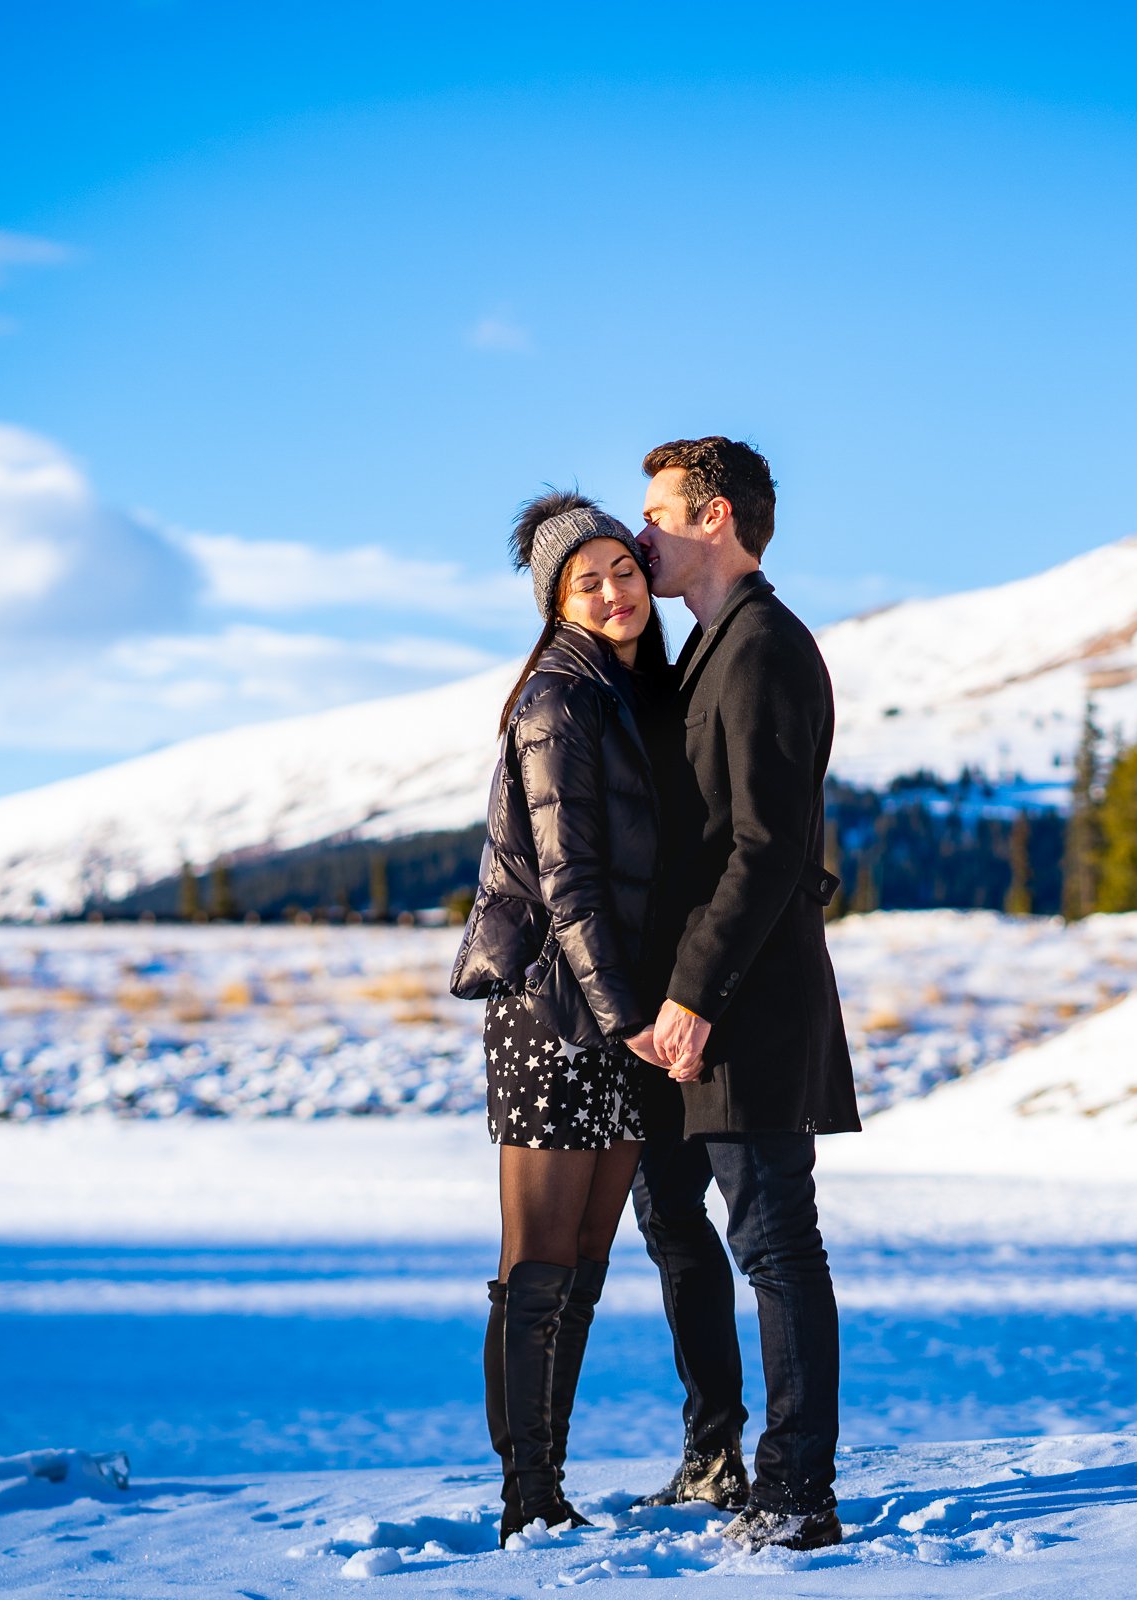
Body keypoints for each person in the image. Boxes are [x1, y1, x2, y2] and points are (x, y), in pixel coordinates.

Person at [622, 437, 859, 1551]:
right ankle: (712, 1457)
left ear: (715, 517)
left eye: (659, 514)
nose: (642, 536)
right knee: (676, 1223)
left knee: (773, 1243)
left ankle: (797, 1492)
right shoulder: (705, 645)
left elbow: (767, 848)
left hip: (745, 1009)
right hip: (688, 1008)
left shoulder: (763, 646)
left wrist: (699, 993)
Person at [448, 490, 674, 1545]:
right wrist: (630, 1012)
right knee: (539, 1258)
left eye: (623, 568)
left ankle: (549, 1481)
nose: (616, 589)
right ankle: (523, 1491)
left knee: (586, 1253)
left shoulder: (630, 694)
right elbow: (568, 877)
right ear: (558, 601)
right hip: (552, 1006)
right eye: (589, 580)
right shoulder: (557, 700)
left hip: (615, 1007)